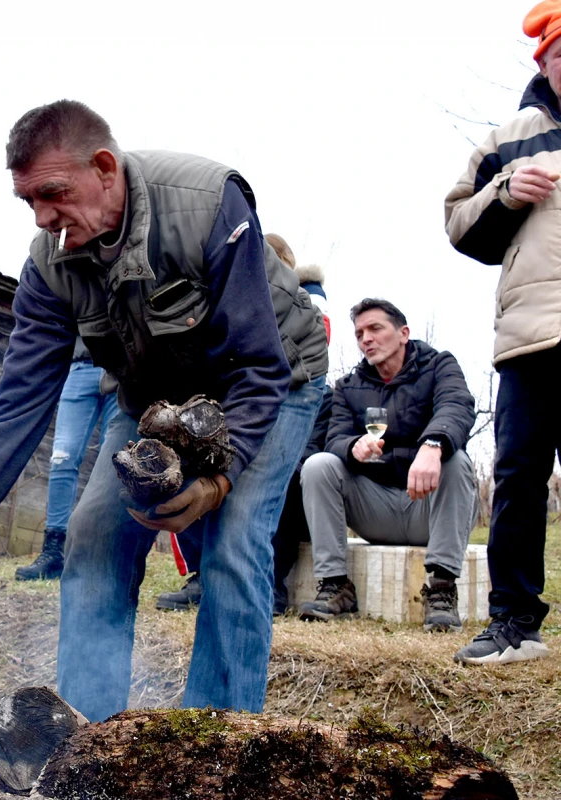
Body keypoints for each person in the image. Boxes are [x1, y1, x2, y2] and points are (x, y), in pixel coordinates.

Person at [0, 100, 328, 721]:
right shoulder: (48, 265)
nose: (42, 217)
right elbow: (17, 404)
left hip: (274, 379)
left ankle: (216, 745)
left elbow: (260, 366)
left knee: (236, 535)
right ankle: (86, 740)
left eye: (53, 193)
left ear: (105, 168)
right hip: (154, 402)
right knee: (92, 535)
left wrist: (219, 480)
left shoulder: (207, 203)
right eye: (28, 201)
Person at [442, 0, 561, 664]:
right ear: (544, 61)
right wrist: (507, 191)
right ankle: (515, 624)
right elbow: (459, 221)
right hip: (531, 334)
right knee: (518, 477)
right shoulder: (511, 137)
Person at [155, 234, 331, 614]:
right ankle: (205, 574)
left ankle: (269, 586)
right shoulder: (225, 296)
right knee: (195, 474)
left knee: (264, 493)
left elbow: (305, 367)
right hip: (234, 396)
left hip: (290, 400)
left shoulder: (301, 309)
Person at [298, 299, 477, 632]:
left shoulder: (440, 366)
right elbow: (334, 437)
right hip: (375, 508)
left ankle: (441, 590)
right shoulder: (348, 387)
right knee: (319, 465)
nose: (366, 338)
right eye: (360, 333)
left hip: (429, 507)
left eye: (375, 329)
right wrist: (353, 447)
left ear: (403, 333)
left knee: (457, 460)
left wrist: (432, 444)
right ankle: (336, 585)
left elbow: (457, 406)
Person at [15, 338, 118, 581]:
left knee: (113, 462)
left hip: (124, 368)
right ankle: (53, 551)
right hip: (81, 364)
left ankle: (99, 552)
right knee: (63, 456)